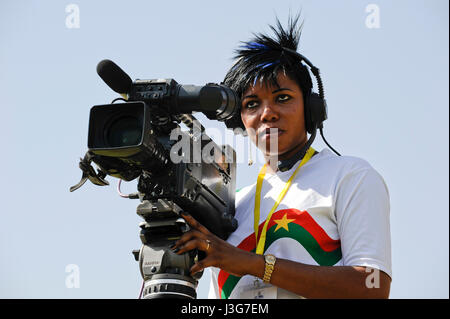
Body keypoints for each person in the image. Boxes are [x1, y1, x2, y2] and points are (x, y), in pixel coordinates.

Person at [171, 16, 392, 299]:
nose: (267, 113)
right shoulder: (230, 206)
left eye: (283, 98)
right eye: (252, 104)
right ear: (240, 121)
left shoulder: (350, 176)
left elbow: (373, 287)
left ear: (311, 109)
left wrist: (253, 264)